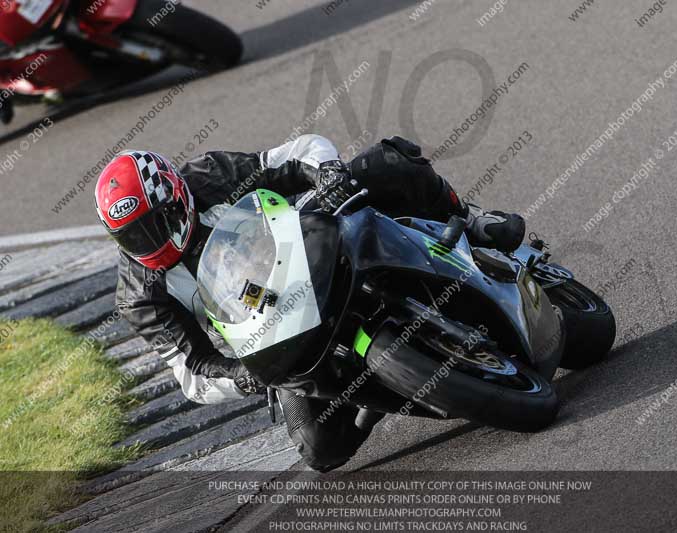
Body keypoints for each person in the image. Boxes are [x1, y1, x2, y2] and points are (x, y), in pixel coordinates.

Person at [94, 134, 525, 471]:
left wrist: (327, 173)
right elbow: (192, 371)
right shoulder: (140, 296)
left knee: (386, 162)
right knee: (321, 448)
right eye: (135, 235)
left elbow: (298, 152)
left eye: (156, 223)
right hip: (273, 329)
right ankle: (380, 389)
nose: (151, 241)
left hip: (308, 248)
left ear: (174, 193)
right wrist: (239, 377)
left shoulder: (207, 174)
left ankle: (470, 221)